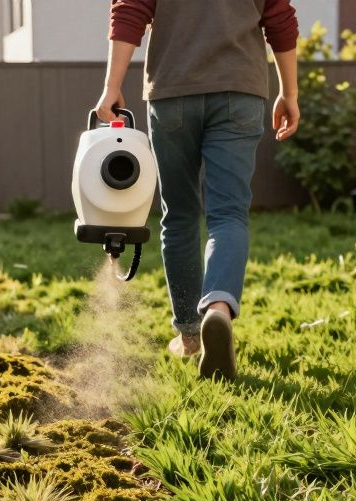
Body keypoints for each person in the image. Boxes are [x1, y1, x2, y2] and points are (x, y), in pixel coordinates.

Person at [96, 0, 301, 381]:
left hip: (173, 91)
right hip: (240, 91)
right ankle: (219, 309)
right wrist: (289, 92)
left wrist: (111, 86)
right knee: (228, 215)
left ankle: (190, 334)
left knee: (179, 216)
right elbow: (279, 18)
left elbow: (129, 9)